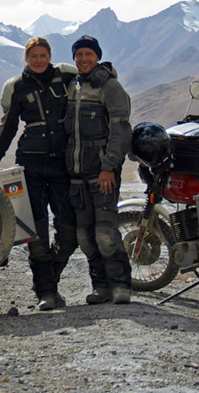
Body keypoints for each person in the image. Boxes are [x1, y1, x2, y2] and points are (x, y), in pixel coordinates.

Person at [0, 37, 79, 311]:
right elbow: (8, 128)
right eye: (33, 56)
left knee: (69, 232)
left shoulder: (65, 77)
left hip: (62, 166)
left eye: (43, 55)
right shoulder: (17, 87)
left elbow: (93, 75)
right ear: (26, 59)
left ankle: (49, 278)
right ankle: (46, 293)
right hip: (31, 165)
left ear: (50, 55)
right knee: (37, 233)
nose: (38, 60)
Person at [64, 35, 133, 305]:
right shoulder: (74, 87)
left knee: (105, 233)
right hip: (76, 175)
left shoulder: (111, 87)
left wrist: (109, 167)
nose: (83, 59)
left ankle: (120, 285)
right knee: (85, 235)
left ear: (97, 56)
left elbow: (121, 130)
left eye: (88, 54)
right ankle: (101, 287)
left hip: (102, 174)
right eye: (78, 54)